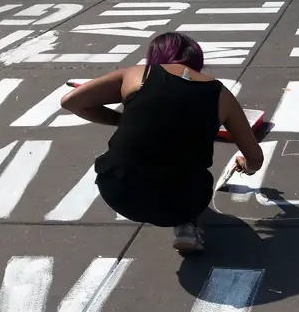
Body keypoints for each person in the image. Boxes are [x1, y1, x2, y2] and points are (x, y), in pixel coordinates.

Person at [60, 32, 264, 253]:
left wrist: (121, 120)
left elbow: (71, 102)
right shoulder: (220, 95)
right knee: (189, 175)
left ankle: (182, 219)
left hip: (118, 192)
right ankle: (186, 225)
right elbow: (256, 159)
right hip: (181, 203)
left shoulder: (139, 75)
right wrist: (247, 166)